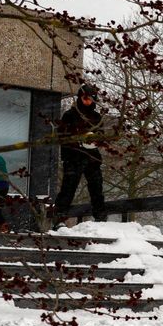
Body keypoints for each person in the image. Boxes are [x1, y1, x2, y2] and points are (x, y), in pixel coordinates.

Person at [53, 83, 107, 226]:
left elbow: (101, 136)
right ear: (80, 98)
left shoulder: (97, 117)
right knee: (68, 188)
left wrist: (94, 139)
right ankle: (59, 218)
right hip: (74, 157)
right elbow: (62, 136)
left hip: (92, 157)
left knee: (97, 188)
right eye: (85, 98)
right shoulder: (69, 115)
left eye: (91, 98)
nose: (87, 101)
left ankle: (100, 218)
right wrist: (77, 140)